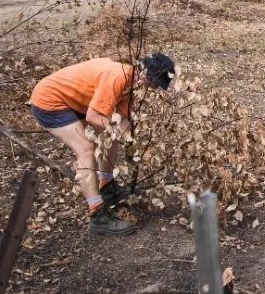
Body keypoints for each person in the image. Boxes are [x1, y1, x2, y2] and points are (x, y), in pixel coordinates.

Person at [29, 52, 176, 235]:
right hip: (49, 101)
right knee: (86, 150)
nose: (154, 89)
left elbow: (122, 121)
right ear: (145, 74)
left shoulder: (131, 81)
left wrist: (135, 145)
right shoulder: (117, 77)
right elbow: (93, 116)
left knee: (110, 135)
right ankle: (97, 215)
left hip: (78, 101)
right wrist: (119, 133)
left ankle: (107, 187)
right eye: (154, 84)